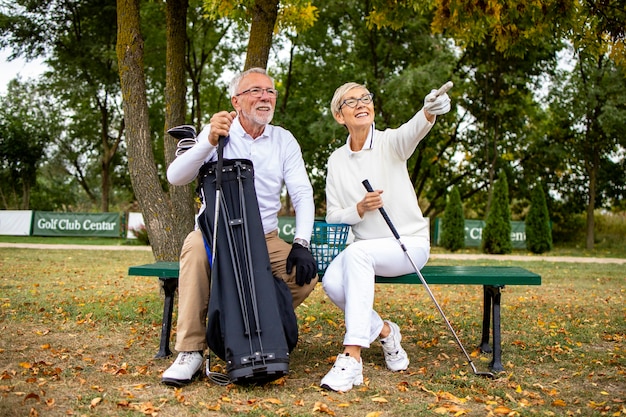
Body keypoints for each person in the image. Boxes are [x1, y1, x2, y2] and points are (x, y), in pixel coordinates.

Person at [162, 67, 319, 387]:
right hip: (217, 234)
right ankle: (191, 350)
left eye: (270, 91)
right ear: (236, 101)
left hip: (264, 236)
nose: (265, 96)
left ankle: (249, 328)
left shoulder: (283, 139)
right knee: (193, 249)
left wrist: (302, 242)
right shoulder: (218, 131)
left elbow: (302, 192)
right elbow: (176, 177)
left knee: (304, 277)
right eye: (255, 91)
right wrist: (207, 139)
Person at [319, 82, 451, 392]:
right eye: (351, 101)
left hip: (408, 245)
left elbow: (414, 130)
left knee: (356, 255)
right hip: (364, 250)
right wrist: (360, 209)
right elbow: (333, 216)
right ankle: (386, 332)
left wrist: (428, 110)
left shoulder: (390, 142)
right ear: (340, 116)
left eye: (365, 98)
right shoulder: (336, 161)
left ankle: (351, 358)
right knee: (332, 283)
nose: (361, 103)